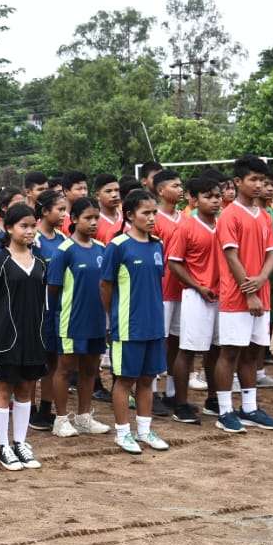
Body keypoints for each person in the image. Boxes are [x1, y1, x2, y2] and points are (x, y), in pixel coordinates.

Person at [213, 156, 273, 433]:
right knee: (229, 352)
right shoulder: (229, 215)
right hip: (236, 297)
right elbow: (231, 255)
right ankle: (224, 410)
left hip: (261, 294)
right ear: (238, 182)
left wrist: (263, 280)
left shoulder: (264, 215)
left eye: (262, 180)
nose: (258, 185)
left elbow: (272, 253)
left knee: (254, 354)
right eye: (252, 180)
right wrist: (249, 292)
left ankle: (250, 408)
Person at [102, 189, 170, 454]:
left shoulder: (157, 244)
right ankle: (123, 433)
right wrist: (114, 318)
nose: (152, 217)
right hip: (128, 326)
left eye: (154, 212)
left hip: (154, 325)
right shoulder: (118, 246)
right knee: (125, 380)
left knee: (147, 379)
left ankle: (144, 431)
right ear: (130, 215)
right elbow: (105, 286)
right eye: (146, 213)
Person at [0, 203, 48, 470]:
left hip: (34, 338)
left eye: (33, 226)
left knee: (26, 389)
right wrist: (0, 336)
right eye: (24, 226)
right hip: (7, 340)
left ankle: (20, 443)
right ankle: (3, 447)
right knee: (4, 389)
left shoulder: (41, 264)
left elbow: (43, 304)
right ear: (9, 228)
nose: (30, 231)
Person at [48, 197, 110, 437]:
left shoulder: (102, 249)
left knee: (91, 369)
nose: (94, 222)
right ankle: (61, 419)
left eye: (97, 218)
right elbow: (52, 290)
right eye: (88, 218)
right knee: (65, 369)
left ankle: (84, 417)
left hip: (96, 321)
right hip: (71, 321)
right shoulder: (64, 251)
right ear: (74, 220)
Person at [166, 176, 225, 425]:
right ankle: (180, 404)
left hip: (222, 296)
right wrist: (197, 286)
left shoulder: (223, 225)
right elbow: (174, 262)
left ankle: (213, 399)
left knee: (217, 349)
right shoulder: (186, 227)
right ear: (193, 199)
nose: (214, 201)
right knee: (188, 350)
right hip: (195, 295)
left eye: (217, 196)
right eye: (207, 196)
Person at [30, 189, 69, 431]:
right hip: (35, 307)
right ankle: (29, 407)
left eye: (65, 210)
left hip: (57, 309)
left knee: (52, 360)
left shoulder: (63, 240)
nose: (65, 214)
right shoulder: (32, 238)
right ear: (45, 211)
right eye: (60, 210)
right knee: (35, 360)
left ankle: (46, 407)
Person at [148, 168, 186, 416]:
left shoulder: (186, 217)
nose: (180, 189)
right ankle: (150, 391)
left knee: (177, 341)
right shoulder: (154, 219)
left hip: (182, 289)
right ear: (161, 190)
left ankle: (172, 392)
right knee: (156, 341)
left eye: (181, 185)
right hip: (160, 290)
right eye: (175, 185)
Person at [92, 174, 123, 244]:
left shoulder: (128, 217)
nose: (114, 195)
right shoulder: (93, 221)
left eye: (117, 190)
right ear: (97, 195)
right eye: (108, 191)